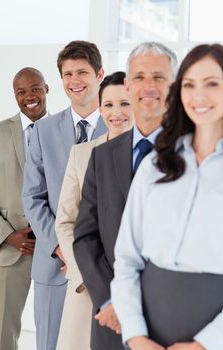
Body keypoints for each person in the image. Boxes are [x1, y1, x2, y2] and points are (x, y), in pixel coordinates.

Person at [111, 43, 223, 350]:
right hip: (146, 336)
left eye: (212, 84)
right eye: (189, 85)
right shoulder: (156, 163)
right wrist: (135, 336)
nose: (198, 95)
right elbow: (126, 258)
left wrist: (206, 345)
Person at [73, 42, 177, 350]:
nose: (149, 86)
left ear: (173, 87)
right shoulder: (101, 157)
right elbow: (85, 236)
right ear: (128, 86)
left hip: (172, 319)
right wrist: (113, 299)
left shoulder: (196, 154)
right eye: (140, 77)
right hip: (111, 319)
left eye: (159, 77)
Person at [21, 41, 107, 350]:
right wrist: (60, 247)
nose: (75, 81)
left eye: (82, 72)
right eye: (68, 73)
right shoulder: (43, 131)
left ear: (100, 74)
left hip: (102, 266)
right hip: (54, 266)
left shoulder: (119, 127)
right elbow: (32, 196)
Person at [55, 71, 134, 350]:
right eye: (109, 105)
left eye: (125, 104)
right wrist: (86, 272)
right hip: (88, 284)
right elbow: (65, 222)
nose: (117, 113)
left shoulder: (153, 156)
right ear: (100, 110)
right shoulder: (82, 154)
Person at [0, 67, 49, 350]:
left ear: (47, 89)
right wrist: (8, 235)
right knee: (1, 336)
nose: (29, 97)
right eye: (21, 91)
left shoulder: (65, 131)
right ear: (14, 96)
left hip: (54, 251)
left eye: (36, 88)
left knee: (56, 331)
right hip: (9, 251)